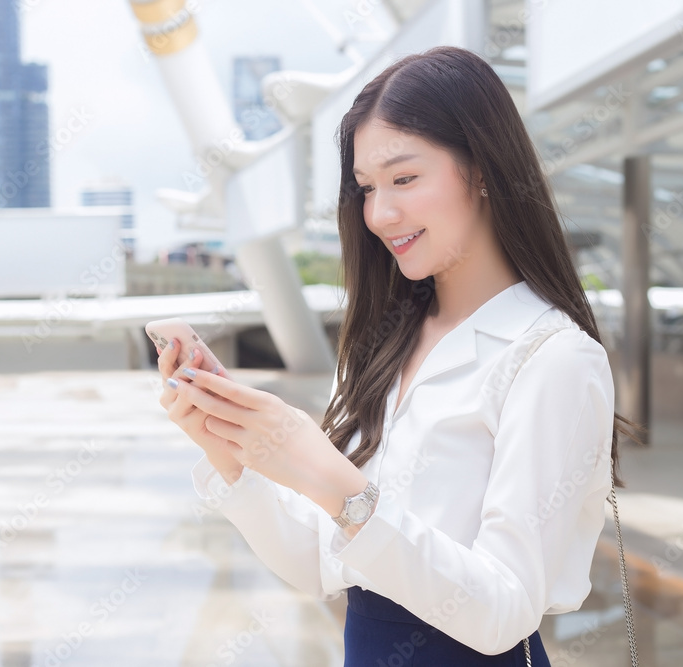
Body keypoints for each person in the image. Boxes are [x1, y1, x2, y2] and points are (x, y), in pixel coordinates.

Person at [156, 45, 645, 666]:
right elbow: (320, 565)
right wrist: (227, 450)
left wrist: (328, 476)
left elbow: (503, 611)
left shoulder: (552, 358)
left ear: (485, 169)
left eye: (405, 179)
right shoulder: (381, 347)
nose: (380, 214)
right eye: (366, 188)